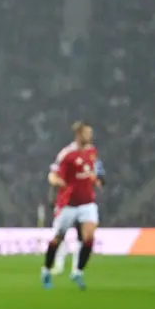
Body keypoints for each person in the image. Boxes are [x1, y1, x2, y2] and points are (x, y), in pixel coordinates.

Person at [41, 122, 102, 290]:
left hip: (87, 202)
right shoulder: (67, 154)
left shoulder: (92, 152)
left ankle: (78, 272)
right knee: (57, 239)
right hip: (68, 203)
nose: (90, 136)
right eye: (87, 133)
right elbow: (52, 175)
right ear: (78, 134)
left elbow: (92, 171)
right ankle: (46, 270)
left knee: (89, 237)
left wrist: (95, 180)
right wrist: (58, 182)